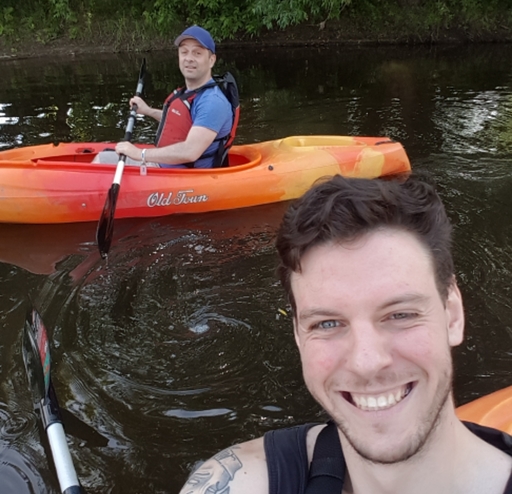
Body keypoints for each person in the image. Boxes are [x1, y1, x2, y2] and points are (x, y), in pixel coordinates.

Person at [178, 173, 512, 494]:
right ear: (298, 335)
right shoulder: (242, 481)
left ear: (453, 314)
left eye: (400, 315)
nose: (367, 363)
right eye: (327, 323)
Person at [94, 25, 234, 168]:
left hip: (180, 175)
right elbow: (179, 121)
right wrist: (148, 111)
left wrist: (140, 154)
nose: (189, 59)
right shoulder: (192, 92)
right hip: (167, 167)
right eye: (184, 52)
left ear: (211, 60)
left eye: (197, 53)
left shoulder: (212, 102)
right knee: (105, 155)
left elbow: (190, 151)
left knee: (101, 160)